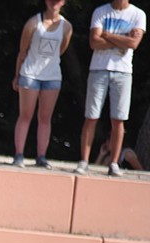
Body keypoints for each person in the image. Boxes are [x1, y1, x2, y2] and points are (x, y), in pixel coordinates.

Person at [75, 0, 146, 177]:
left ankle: (114, 163)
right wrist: (123, 39)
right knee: (91, 116)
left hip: (123, 72)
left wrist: (106, 35)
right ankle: (84, 161)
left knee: (118, 119)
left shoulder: (138, 14)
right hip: (98, 69)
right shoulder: (101, 12)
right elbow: (94, 42)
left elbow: (134, 44)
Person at [12, 0, 72, 169]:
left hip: (52, 76)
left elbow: (61, 49)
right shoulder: (33, 23)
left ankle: (41, 156)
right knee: (25, 115)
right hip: (29, 73)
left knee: (45, 117)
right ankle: (18, 154)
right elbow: (22, 51)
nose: (55, 3)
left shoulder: (66, 26)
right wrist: (17, 76)